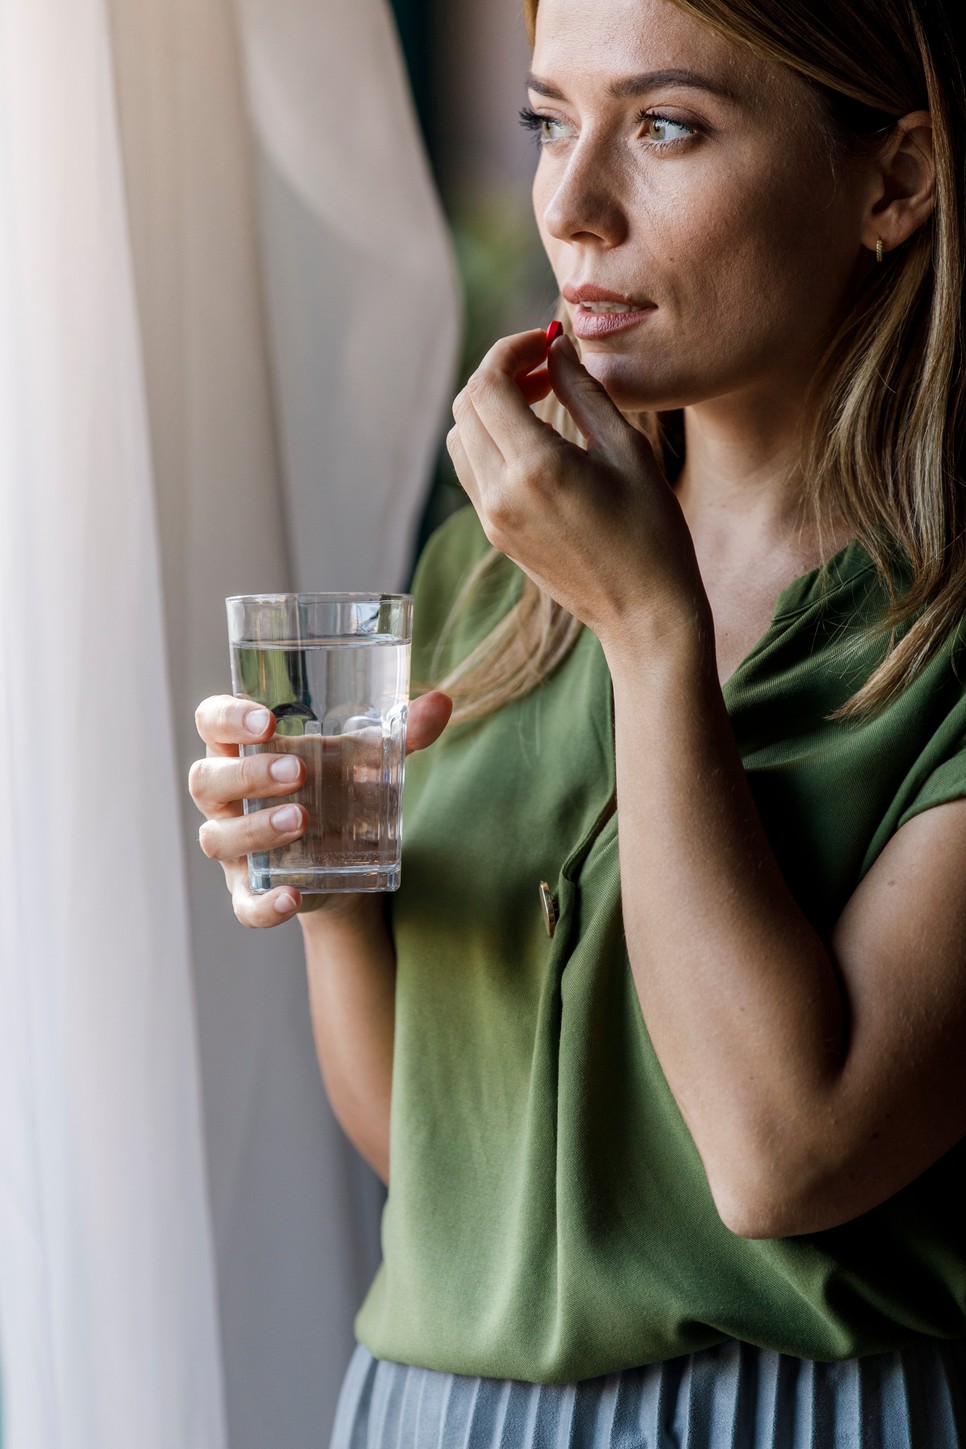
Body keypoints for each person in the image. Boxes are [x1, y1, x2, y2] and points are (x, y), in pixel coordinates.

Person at [189, 0, 966, 1441]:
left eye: (663, 126)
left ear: (895, 181)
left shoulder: (934, 639)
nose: (571, 204)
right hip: (431, 1407)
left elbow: (782, 1157)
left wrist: (650, 632)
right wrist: (326, 886)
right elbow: (434, 1162)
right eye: (551, 120)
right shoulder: (488, 580)